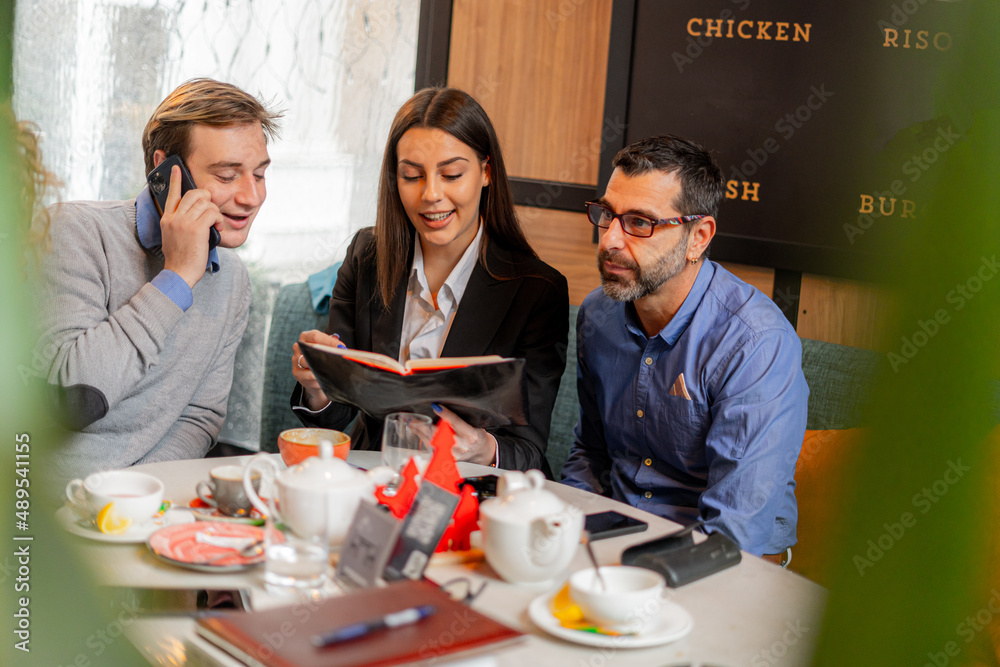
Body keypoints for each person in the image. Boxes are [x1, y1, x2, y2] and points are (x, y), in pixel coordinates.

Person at [291, 88, 568, 473]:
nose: (431, 195)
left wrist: (481, 448)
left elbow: (530, 451)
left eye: (452, 174)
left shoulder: (536, 291)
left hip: (467, 488)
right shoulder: (366, 256)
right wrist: (319, 386)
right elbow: (336, 417)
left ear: (486, 172)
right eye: (412, 176)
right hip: (374, 477)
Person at [560, 135, 808, 558]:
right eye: (607, 215)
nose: (609, 240)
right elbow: (591, 454)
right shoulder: (599, 314)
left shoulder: (755, 343)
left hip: (721, 562)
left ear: (699, 237)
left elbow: (733, 533)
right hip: (615, 536)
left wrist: (629, 574)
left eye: (640, 222)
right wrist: (563, 528)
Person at [33, 78, 282, 480]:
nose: (251, 197)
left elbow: (200, 417)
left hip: (147, 500)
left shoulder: (234, 279)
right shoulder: (74, 230)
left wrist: (139, 492)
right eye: (227, 175)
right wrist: (177, 277)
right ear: (165, 170)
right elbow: (72, 399)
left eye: (259, 174)